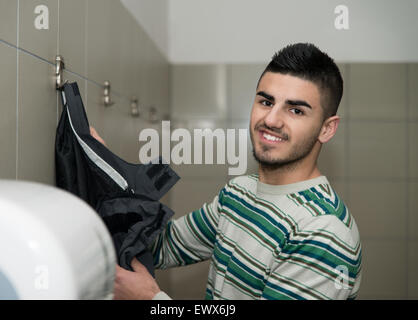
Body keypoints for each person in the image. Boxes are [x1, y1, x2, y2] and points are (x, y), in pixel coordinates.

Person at [91, 43, 362, 300]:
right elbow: (161, 246)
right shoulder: (239, 193)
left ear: (327, 128)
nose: (270, 120)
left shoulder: (323, 232)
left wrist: (152, 299)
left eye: (296, 110)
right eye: (266, 102)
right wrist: (109, 176)